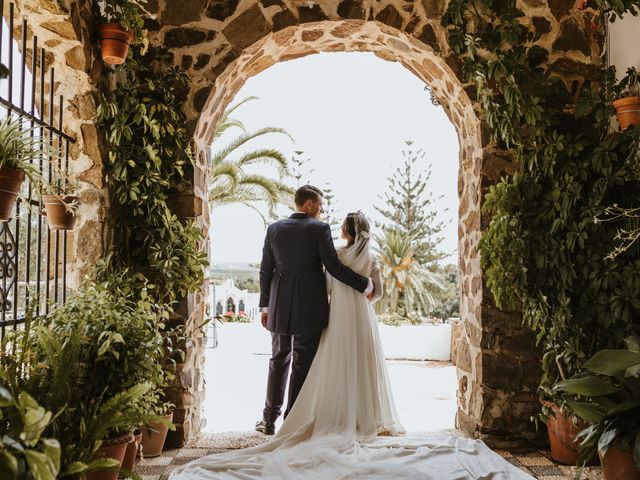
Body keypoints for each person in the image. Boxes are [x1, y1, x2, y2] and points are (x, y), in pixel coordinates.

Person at [169, 210, 534, 480]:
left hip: (335, 318)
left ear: (344, 230)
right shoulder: (371, 258)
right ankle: (365, 418)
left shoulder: (337, 255)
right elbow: (377, 293)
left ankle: (279, 417)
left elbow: (323, 283)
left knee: (319, 365)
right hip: (363, 320)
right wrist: (363, 291)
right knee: (359, 364)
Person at [255, 185, 374, 435]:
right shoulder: (319, 229)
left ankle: (268, 419)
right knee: (302, 362)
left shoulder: (274, 228)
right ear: (309, 205)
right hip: (309, 306)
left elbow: (265, 270)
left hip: (279, 305)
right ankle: (291, 420)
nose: (321, 211)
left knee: (279, 358)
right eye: (320, 206)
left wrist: (265, 306)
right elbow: (332, 266)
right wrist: (364, 284)